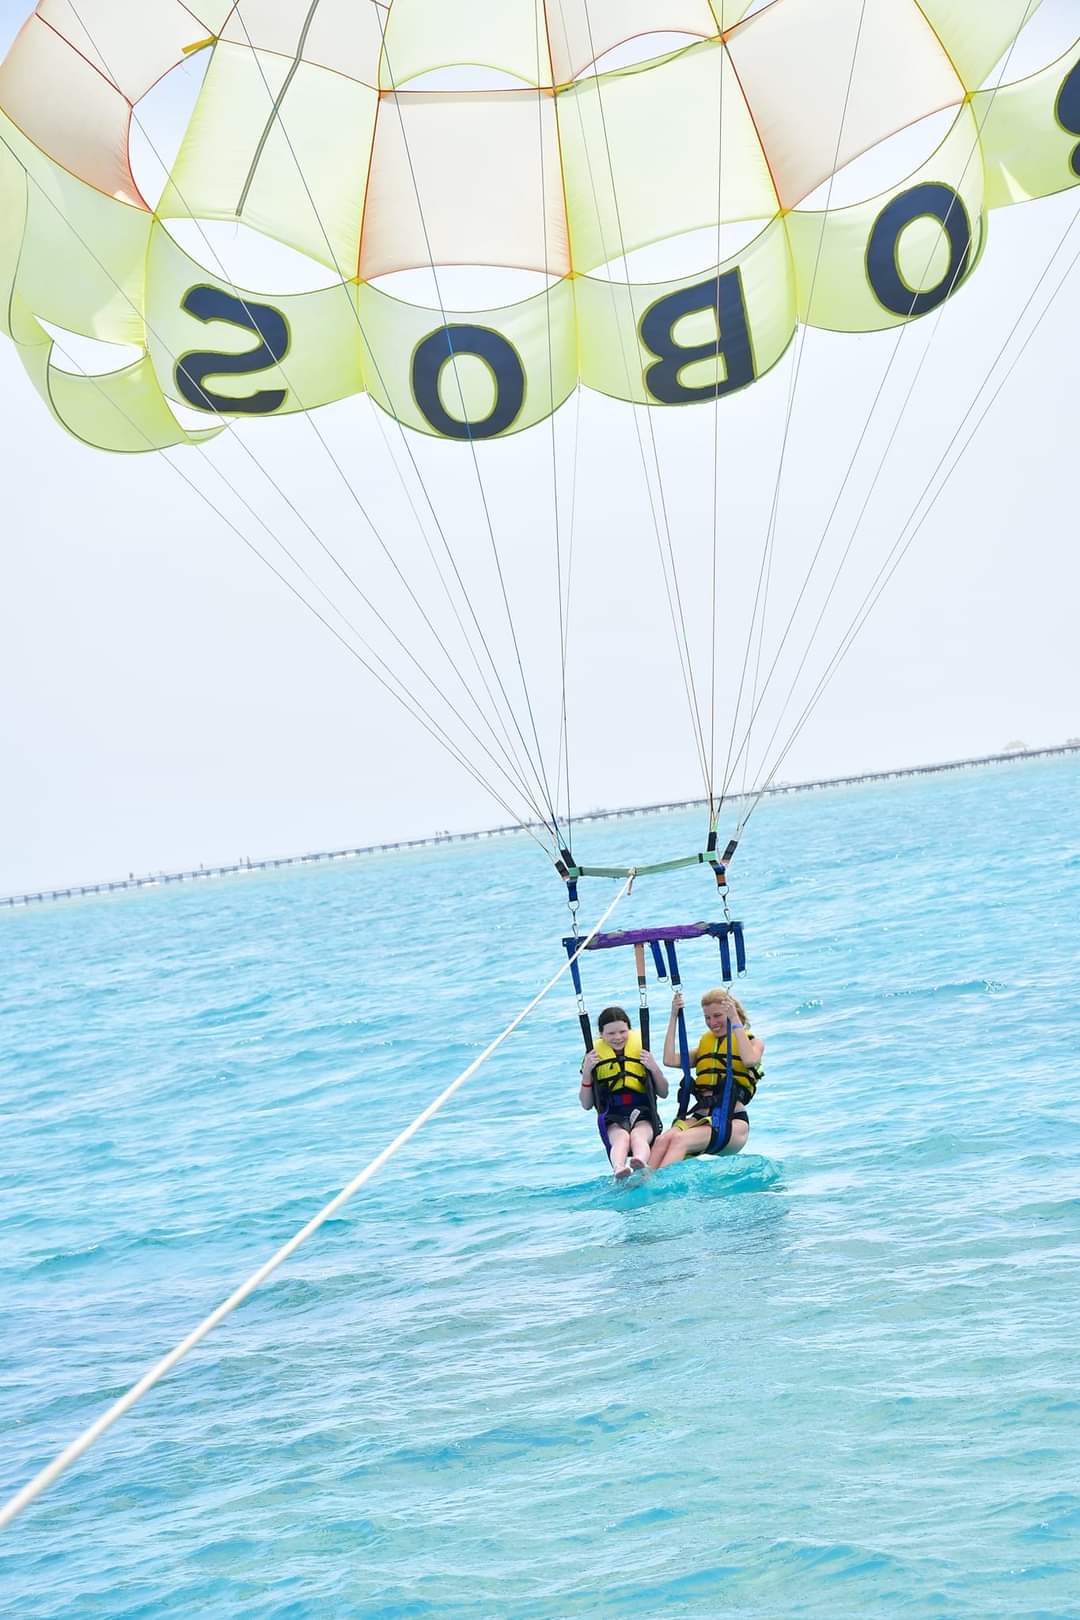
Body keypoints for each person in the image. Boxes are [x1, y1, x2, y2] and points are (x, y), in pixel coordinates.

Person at [649, 987, 764, 1169]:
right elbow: (669, 1059)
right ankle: (640, 1185)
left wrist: (734, 1019)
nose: (712, 1022)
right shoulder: (705, 1047)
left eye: (718, 1015)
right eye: (707, 1018)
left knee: (680, 1140)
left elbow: (750, 1060)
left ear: (731, 1011)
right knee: (662, 1140)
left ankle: (654, 1190)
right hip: (700, 1118)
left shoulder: (753, 1043)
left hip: (731, 1123)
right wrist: (673, 1016)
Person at [580, 1006, 669, 1179]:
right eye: (611, 1034)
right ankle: (619, 1169)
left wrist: (653, 1067)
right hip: (613, 1116)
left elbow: (664, 1092)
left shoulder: (642, 1052)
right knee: (620, 1138)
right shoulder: (593, 1059)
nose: (618, 1037)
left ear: (629, 1029)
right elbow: (586, 1104)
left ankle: (639, 1163)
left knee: (638, 1136)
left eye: (622, 1031)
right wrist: (587, 1072)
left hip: (642, 1113)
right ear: (601, 1035)